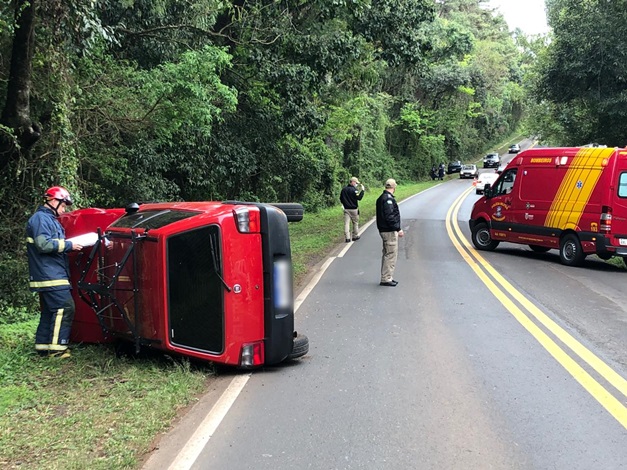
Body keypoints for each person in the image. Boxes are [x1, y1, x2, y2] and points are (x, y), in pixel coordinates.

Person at [26, 186, 83, 358]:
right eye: (64, 205)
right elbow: (43, 245)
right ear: (53, 201)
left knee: (50, 311)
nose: (65, 209)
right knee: (65, 307)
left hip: (50, 273)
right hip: (50, 275)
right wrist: (69, 245)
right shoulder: (41, 219)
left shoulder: (48, 219)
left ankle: (43, 346)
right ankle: (58, 349)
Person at [375, 179, 404, 287]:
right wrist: (398, 229)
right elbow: (390, 216)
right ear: (394, 187)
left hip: (384, 230)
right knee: (391, 254)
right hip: (388, 231)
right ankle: (386, 278)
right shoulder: (388, 200)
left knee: (387, 253)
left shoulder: (381, 198)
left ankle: (387, 276)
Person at [339, 176, 365, 243]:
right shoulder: (354, 190)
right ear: (353, 182)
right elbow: (359, 198)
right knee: (355, 223)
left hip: (346, 209)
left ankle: (347, 238)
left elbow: (341, 199)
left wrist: (344, 204)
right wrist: (362, 191)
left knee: (346, 224)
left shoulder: (343, 190)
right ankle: (354, 236)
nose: (356, 184)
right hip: (354, 209)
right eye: (356, 182)